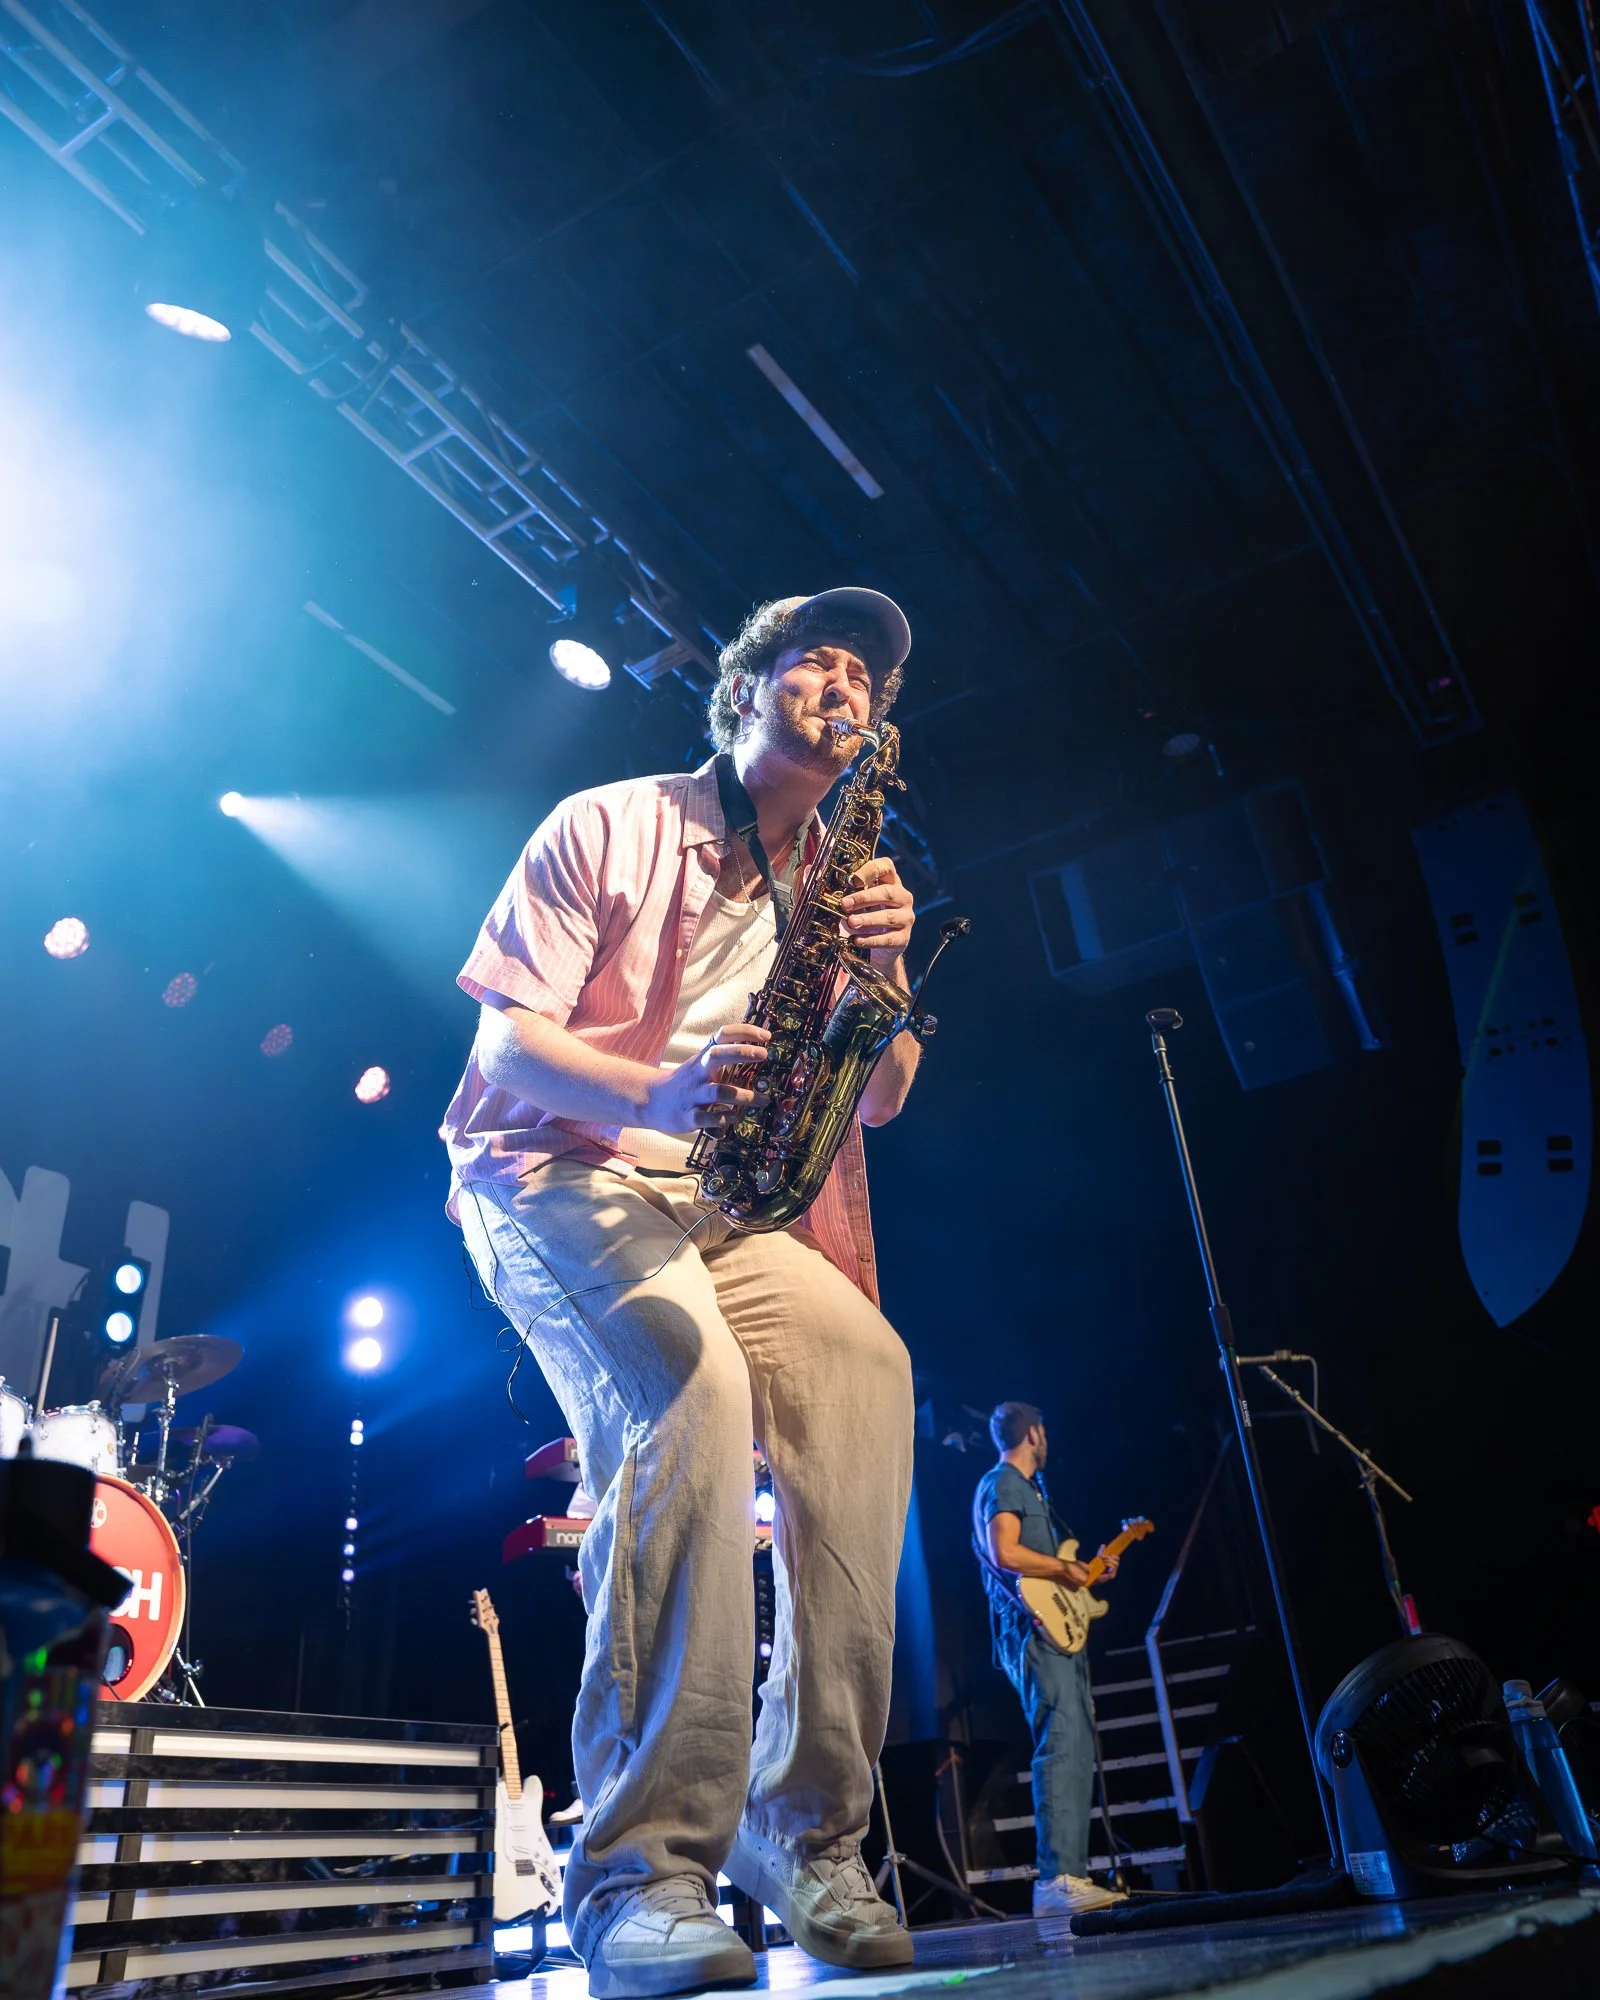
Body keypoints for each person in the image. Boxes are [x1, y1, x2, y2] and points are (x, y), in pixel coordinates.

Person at [442, 589, 924, 1998]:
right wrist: (645, 1086)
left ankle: (805, 1830)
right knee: (691, 1391)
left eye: (867, 672)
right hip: (544, 1166)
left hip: (707, 1201)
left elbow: (883, 1103)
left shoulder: (842, 875)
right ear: (744, 690)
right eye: (814, 656)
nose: (844, 677)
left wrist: (883, 975)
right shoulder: (609, 821)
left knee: (869, 1372)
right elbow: (506, 1037)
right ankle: (640, 1870)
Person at [972, 1401, 1127, 1920]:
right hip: (1035, 1636)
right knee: (1060, 1741)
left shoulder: (1024, 1489)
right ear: (1035, 1433)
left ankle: (1071, 1874)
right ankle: (1057, 1878)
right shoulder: (1004, 1482)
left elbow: (1045, 1569)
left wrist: (1085, 1573)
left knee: (1075, 1743)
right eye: (1045, 1431)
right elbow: (1004, 1553)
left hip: (1057, 1635)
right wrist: (1066, 1569)